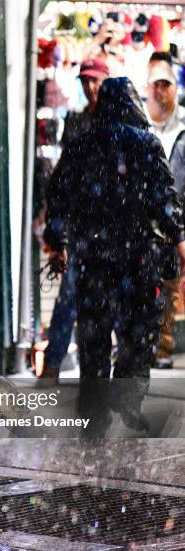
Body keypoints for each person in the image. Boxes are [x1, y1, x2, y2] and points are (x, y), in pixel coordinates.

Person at [44, 77, 185, 434]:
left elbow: (57, 197)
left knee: (93, 336)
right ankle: (127, 393)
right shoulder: (146, 144)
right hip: (136, 259)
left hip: (91, 259)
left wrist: (56, 241)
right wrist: (178, 236)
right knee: (138, 333)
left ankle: (94, 414)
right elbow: (164, 199)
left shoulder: (80, 146)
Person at [41, 58, 109, 379]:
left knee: (105, 300)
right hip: (83, 224)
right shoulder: (78, 123)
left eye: (94, 81)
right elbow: (64, 181)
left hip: (110, 225)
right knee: (69, 297)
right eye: (85, 81)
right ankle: (53, 365)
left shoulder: (117, 122)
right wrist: (59, 233)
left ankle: (99, 371)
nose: (90, 87)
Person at [145, 53, 185, 369]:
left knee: (170, 285)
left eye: (165, 85)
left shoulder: (182, 129)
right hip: (145, 221)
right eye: (156, 85)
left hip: (175, 221)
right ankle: (143, 344)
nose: (160, 92)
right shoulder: (142, 126)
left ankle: (162, 347)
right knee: (145, 283)